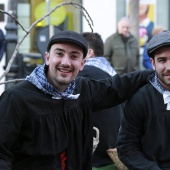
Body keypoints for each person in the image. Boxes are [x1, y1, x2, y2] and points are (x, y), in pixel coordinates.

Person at [0, 30, 152, 170]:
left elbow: (116, 87)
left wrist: (155, 73)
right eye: (59, 54)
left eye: (74, 56)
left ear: (82, 64)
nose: (66, 62)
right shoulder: (16, 99)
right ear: (47, 58)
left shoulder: (82, 90)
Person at [117, 30, 170, 170]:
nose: (169, 67)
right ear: (153, 63)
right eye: (162, 60)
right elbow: (127, 147)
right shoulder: (140, 99)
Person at [78, 32, 124, 170]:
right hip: (115, 156)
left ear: (89, 53)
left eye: (76, 53)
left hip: (93, 159)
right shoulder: (114, 75)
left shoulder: (83, 75)